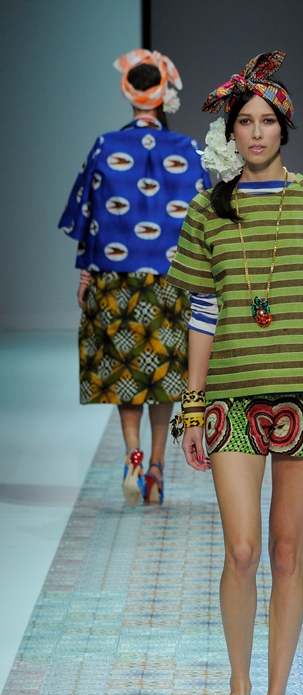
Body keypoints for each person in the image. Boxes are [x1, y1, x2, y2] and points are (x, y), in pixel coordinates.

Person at [166, 51, 303, 695]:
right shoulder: (209, 209)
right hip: (230, 394)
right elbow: (200, 313)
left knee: (287, 552)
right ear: (230, 132)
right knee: (242, 549)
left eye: (267, 121)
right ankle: (238, 686)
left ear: (285, 128)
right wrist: (190, 407)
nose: (256, 133)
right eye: (244, 122)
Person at [59, 49, 211, 507]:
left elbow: (86, 216)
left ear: (128, 94)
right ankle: (158, 469)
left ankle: (133, 455)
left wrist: (85, 273)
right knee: (163, 376)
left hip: (115, 279)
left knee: (127, 373)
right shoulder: (188, 150)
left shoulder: (105, 147)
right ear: (164, 95)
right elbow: (203, 223)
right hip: (170, 280)